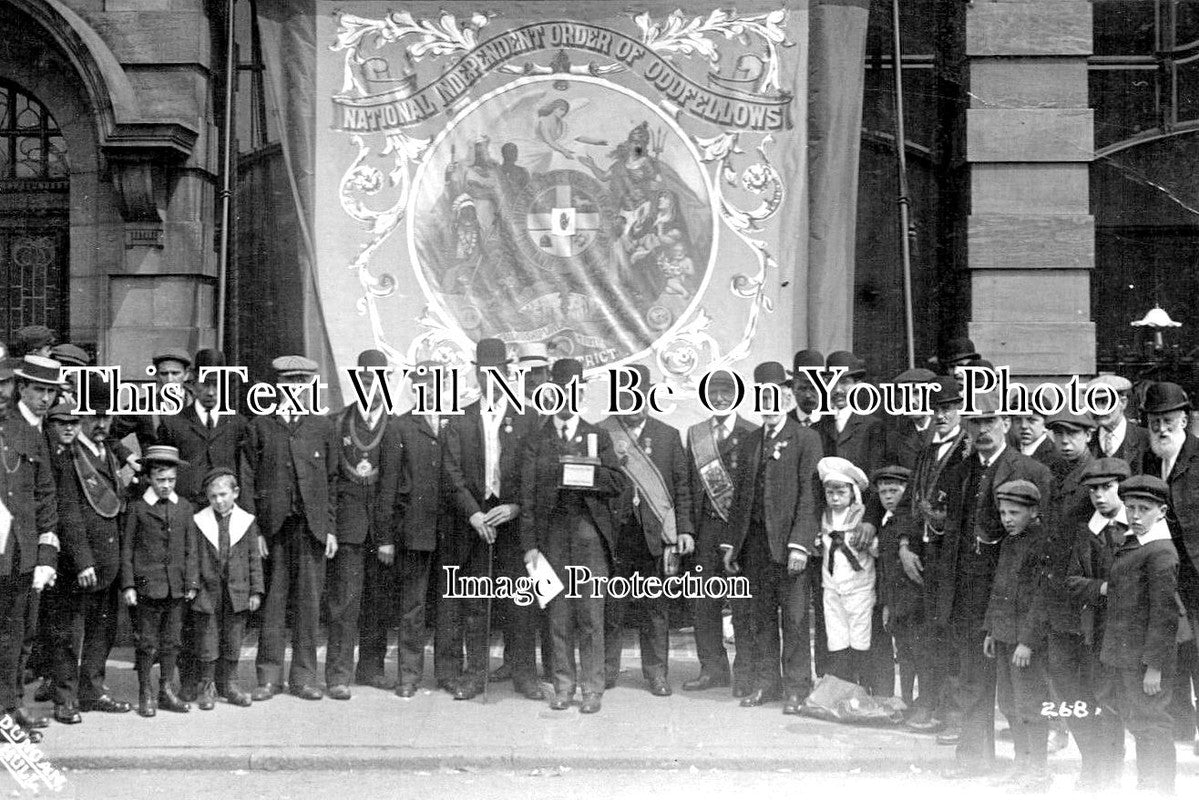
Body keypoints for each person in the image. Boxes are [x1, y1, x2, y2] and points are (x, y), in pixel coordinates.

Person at [936, 390, 1053, 776]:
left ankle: (1028, 766)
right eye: (975, 422)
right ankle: (975, 759)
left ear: (1006, 423)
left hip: (1012, 599)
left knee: (1020, 689)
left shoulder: (1031, 471)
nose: (982, 430)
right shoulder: (960, 470)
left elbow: (1043, 544)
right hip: (967, 596)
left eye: (990, 421)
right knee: (972, 680)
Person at [520, 358, 629, 714]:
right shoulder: (537, 439)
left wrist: (585, 473)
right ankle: (564, 686)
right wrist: (530, 546)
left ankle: (592, 689)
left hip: (589, 536)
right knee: (558, 615)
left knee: (591, 614)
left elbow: (618, 483)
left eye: (573, 392)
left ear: (581, 394)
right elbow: (527, 496)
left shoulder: (598, 436)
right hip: (551, 538)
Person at [442, 339, 542, 701]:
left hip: (513, 522)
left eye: (496, 372)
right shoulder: (461, 417)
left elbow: (534, 476)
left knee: (520, 601)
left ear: (507, 373)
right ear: (477, 374)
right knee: (475, 602)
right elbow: (451, 472)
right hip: (476, 520)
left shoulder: (528, 416)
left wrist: (514, 508)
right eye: (484, 373)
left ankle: (524, 674)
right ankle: (475, 675)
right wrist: (473, 513)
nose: (490, 379)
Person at [723, 361, 822, 714]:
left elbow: (810, 496)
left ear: (787, 397)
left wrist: (800, 545)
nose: (769, 403)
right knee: (760, 618)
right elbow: (740, 498)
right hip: (755, 548)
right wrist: (732, 545)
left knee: (794, 620)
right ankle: (768, 684)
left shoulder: (806, 439)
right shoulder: (751, 441)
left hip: (789, 547)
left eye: (775, 395)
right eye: (762, 396)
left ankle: (797, 688)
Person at [246, 355, 337, 701]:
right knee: (273, 603)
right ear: (278, 386)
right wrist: (255, 531)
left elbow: (333, 480)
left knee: (309, 605)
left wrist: (330, 528)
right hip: (274, 531)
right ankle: (269, 677)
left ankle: (304, 677)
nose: (295, 388)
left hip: (312, 529)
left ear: (310, 385)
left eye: (302, 382)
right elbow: (247, 480)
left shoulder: (322, 427)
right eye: (289, 382)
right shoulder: (261, 426)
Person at [600, 363, 695, 696]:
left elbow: (682, 487)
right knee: (612, 606)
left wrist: (684, 530)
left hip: (655, 536)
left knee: (655, 607)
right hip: (615, 535)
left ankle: (656, 673)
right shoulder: (603, 432)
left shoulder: (667, 435)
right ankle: (607, 670)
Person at [44, 388, 132, 725]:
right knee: (69, 633)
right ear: (80, 419)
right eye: (94, 417)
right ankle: (65, 698)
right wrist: (82, 560)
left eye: (106, 417)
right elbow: (68, 512)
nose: (101, 423)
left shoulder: (107, 451)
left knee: (101, 629)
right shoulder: (70, 456)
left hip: (108, 560)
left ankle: (92, 690)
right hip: (80, 563)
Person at [324, 350, 399, 701]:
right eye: (365, 380)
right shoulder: (337, 422)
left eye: (378, 381)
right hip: (348, 528)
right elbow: (329, 480)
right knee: (344, 603)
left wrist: (387, 535)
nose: (371, 387)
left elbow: (396, 484)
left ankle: (371, 668)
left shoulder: (396, 425)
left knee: (378, 603)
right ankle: (338, 675)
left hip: (383, 533)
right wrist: (332, 527)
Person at [1099, 474, 1180, 794]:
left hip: (1146, 658)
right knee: (1140, 722)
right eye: (1130, 507)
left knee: (1152, 724)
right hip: (1127, 654)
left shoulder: (1160, 552)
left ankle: (1161, 790)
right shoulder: (1137, 542)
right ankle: (1148, 787)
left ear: (1161, 512)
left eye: (1144, 509)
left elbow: (1165, 614)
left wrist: (1155, 667)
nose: (1134, 516)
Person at [682, 369, 756, 694]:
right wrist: (687, 529)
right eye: (714, 392)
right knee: (704, 605)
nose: (720, 398)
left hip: (739, 531)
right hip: (706, 530)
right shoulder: (696, 435)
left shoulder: (751, 432)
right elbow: (686, 487)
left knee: (741, 605)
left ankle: (745, 673)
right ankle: (712, 670)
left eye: (727, 392)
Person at [905, 375, 970, 733]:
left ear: (960, 409)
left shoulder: (967, 450)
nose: (941, 416)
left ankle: (956, 712)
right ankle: (931, 702)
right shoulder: (927, 451)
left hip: (954, 557)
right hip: (926, 555)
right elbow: (910, 502)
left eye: (948, 408)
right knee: (930, 632)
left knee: (954, 632)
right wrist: (905, 545)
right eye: (937, 409)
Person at [1137, 381, 1199, 751]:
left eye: (1168, 420)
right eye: (1154, 421)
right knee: (1172, 644)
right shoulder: (1149, 459)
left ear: (1185, 420)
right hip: (1164, 570)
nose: (1161, 428)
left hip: (1197, 572)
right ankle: (1181, 724)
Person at [0, 356, 59, 743]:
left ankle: (11, 707)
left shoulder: (33, 431)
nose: (45, 398)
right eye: (39, 390)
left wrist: (45, 556)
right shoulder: (11, 426)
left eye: (51, 392)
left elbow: (45, 496)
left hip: (21, 554)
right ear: (22, 388)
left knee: (19, 635)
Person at [1064, 457, 1132, 791]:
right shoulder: (1087, 532)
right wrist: (1103, 588)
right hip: (1098, 629)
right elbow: (1073, 580)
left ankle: (1120, 773)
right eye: (1093, 490)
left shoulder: (1137, 527)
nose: (1100, 496)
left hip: (1132, 630)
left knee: (1131, 703)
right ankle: (1101, 769)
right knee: (1101, 698)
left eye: (1107, 488)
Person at [982, 479, 1052, 792]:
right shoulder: (1009, 543)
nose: (1007, 519)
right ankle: (1021, 763)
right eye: (1003, 513)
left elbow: (1042, 597)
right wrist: (991, 629)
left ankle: (1038, 770)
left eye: (1014, 512)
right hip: (1004, 635)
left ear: (1033, 511)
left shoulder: (1042, 544)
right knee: (1009, 703)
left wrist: (1027, 641)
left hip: (1025, 641)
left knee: (1030, 704)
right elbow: (999, 588)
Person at [120, 446, 197, 717]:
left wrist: (191, 582)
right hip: (147, 586)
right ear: (150, 478)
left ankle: (166, 690)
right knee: (147, 642)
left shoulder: (184, 507)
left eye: (171, 480)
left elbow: (191, 549)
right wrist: (129, 585)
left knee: (172, 641)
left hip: (176, 586)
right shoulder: (138, 508)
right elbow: (127, 549)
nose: (166, 485)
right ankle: (146, 691)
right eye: (160, 479)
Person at [187, 467, 262, 709]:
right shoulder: (200, 521)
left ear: (235, 493)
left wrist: (255, 590)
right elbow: (193, 557)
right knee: (208, 639)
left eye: (223, 495)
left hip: (236, 591)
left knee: (233, 638)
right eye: (213, 496)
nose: (219, 501)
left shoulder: (246, 521)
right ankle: (207, 686)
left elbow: (253, 557)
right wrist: (193, 585)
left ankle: (230, 684)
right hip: (208, 590)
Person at [815, 456, 876, 687]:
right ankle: (842, 686)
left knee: (860, 636)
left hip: (858, 586)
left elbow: (874, 548)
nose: (835, 498)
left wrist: (870, 545)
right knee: (837, 636)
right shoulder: (825, 516)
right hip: (832, 586)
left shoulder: (861, 516)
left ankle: (862, 688)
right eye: (830, 493)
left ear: (852, 492)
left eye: (841, 492)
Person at [874, 466, 925, 708]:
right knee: (903, 653)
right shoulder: (885, 525)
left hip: (916, 602)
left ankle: (923, 702)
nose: (888, 496)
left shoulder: (913, 525)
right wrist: (886, 604)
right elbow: (884, 570)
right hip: (896, 603)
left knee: (919, 654)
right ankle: (906, 701)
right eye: (883, 492)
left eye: (894, 491)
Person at [1089, 374, 1149, 466]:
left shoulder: (1146, 439)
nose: (1098, 409)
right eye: (1094, 403)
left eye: (1105, 402)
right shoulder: (1086, 442)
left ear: (1123, 403)